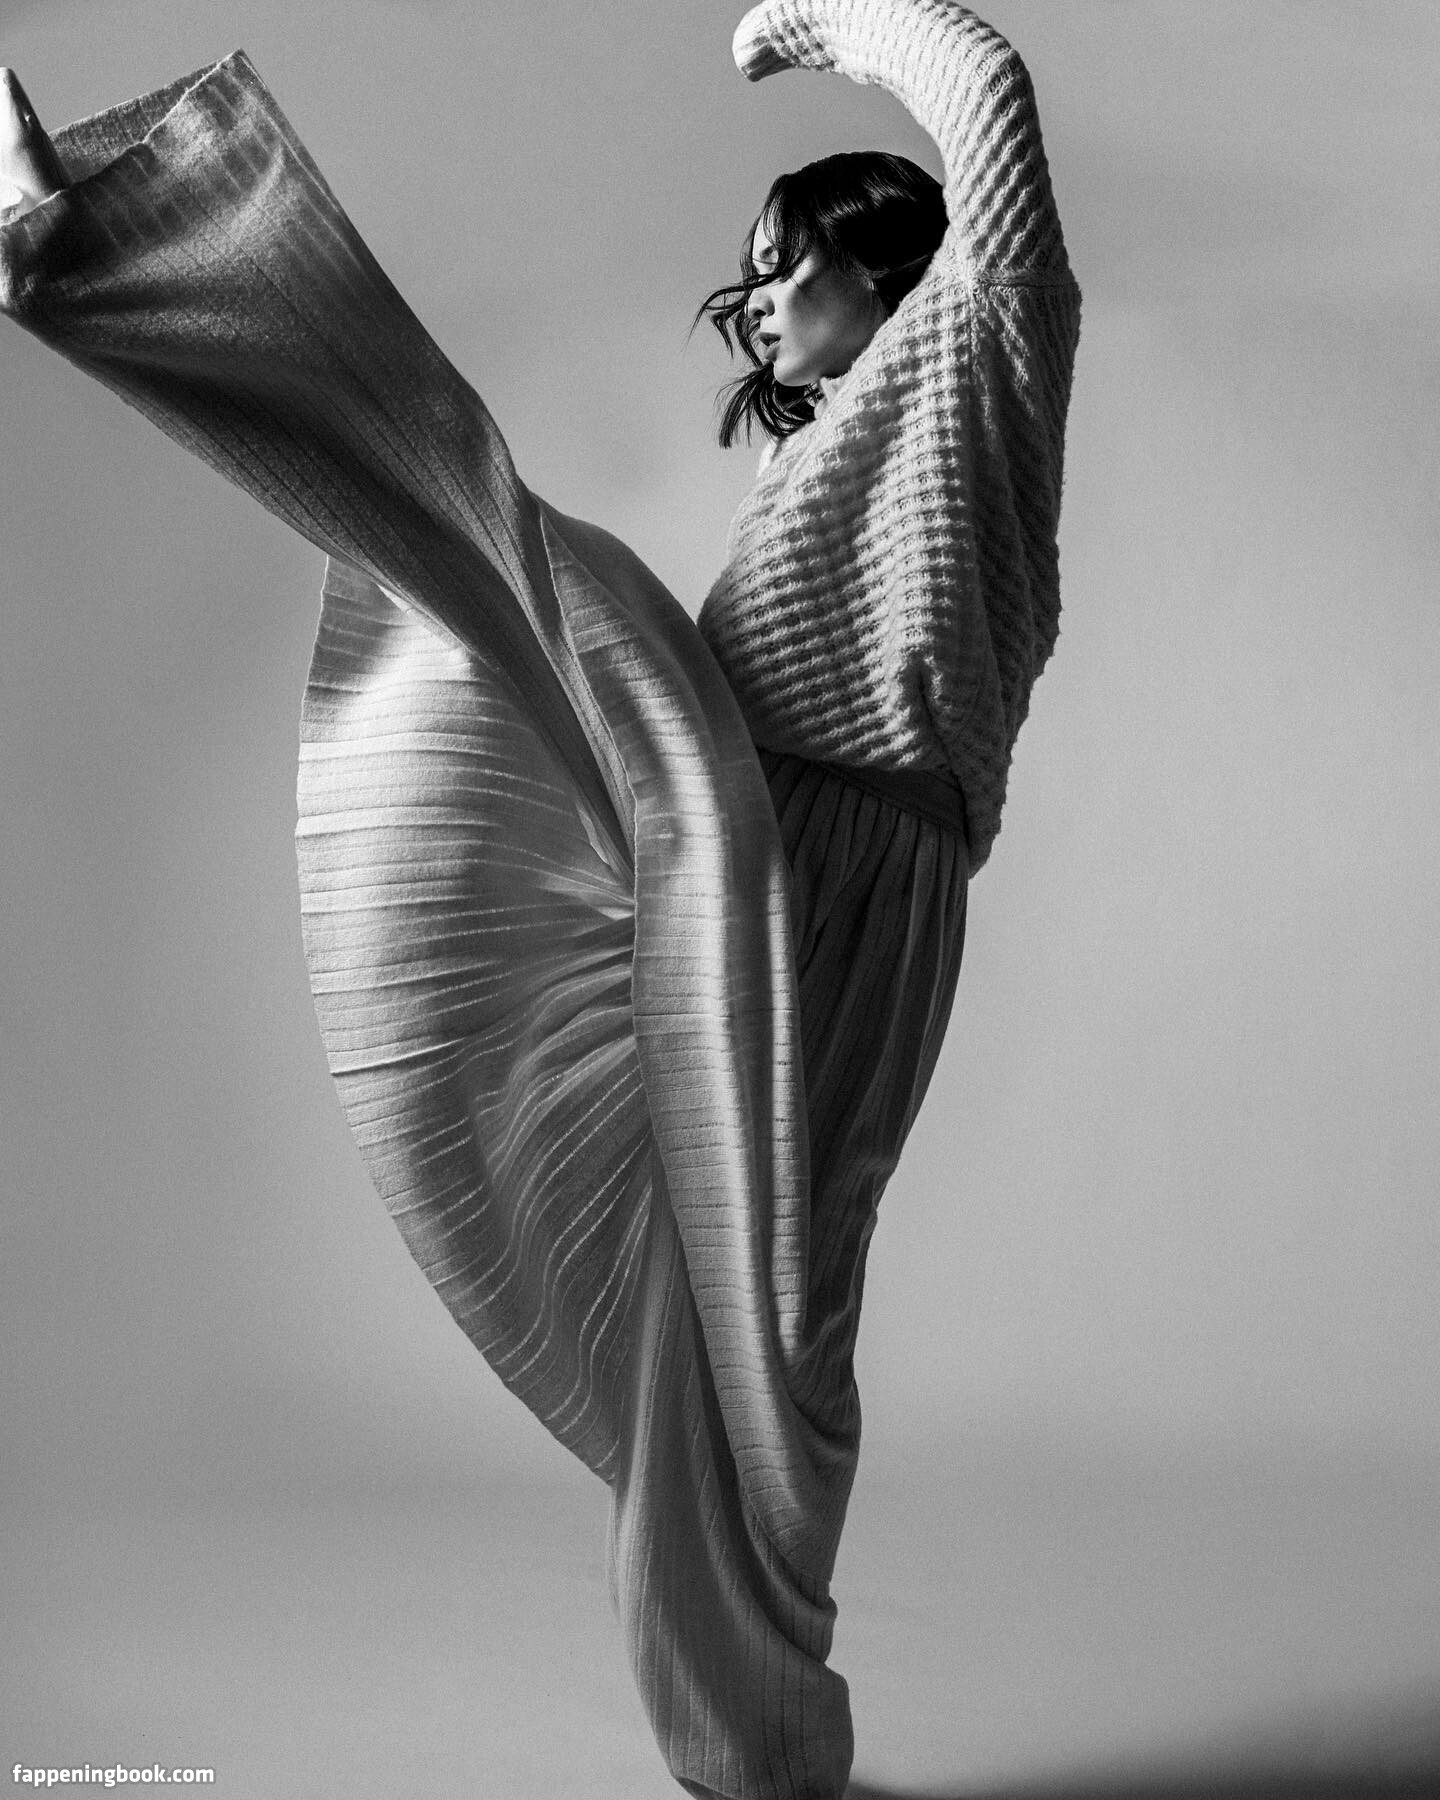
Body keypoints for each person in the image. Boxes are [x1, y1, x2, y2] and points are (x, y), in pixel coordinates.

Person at [0, 2, 1079, 1795]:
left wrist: (820, 25)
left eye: (786, 264)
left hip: (858, 861)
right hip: (724, 816)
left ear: (881, 261)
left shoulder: (983, 342)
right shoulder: (822, 442)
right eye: (753, 272)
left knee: (767, 1309)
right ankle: (86, 250)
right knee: (459, 531)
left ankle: (758, 1723)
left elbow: (995, 100)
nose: (756, 301)